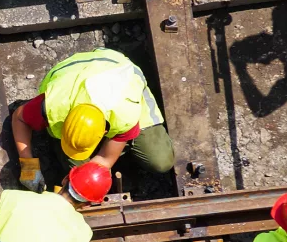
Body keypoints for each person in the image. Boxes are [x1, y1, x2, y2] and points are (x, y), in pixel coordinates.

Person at [11, 48, 175, 193]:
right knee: (80, 174)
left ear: (104, 132)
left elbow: (105, 159)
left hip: (118, 67)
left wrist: (93, 177)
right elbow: (19, 118)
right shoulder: (54, 105)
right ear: (66, 121)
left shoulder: (125, 114)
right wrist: (28, 166)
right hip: (70, 72)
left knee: (161, 161)